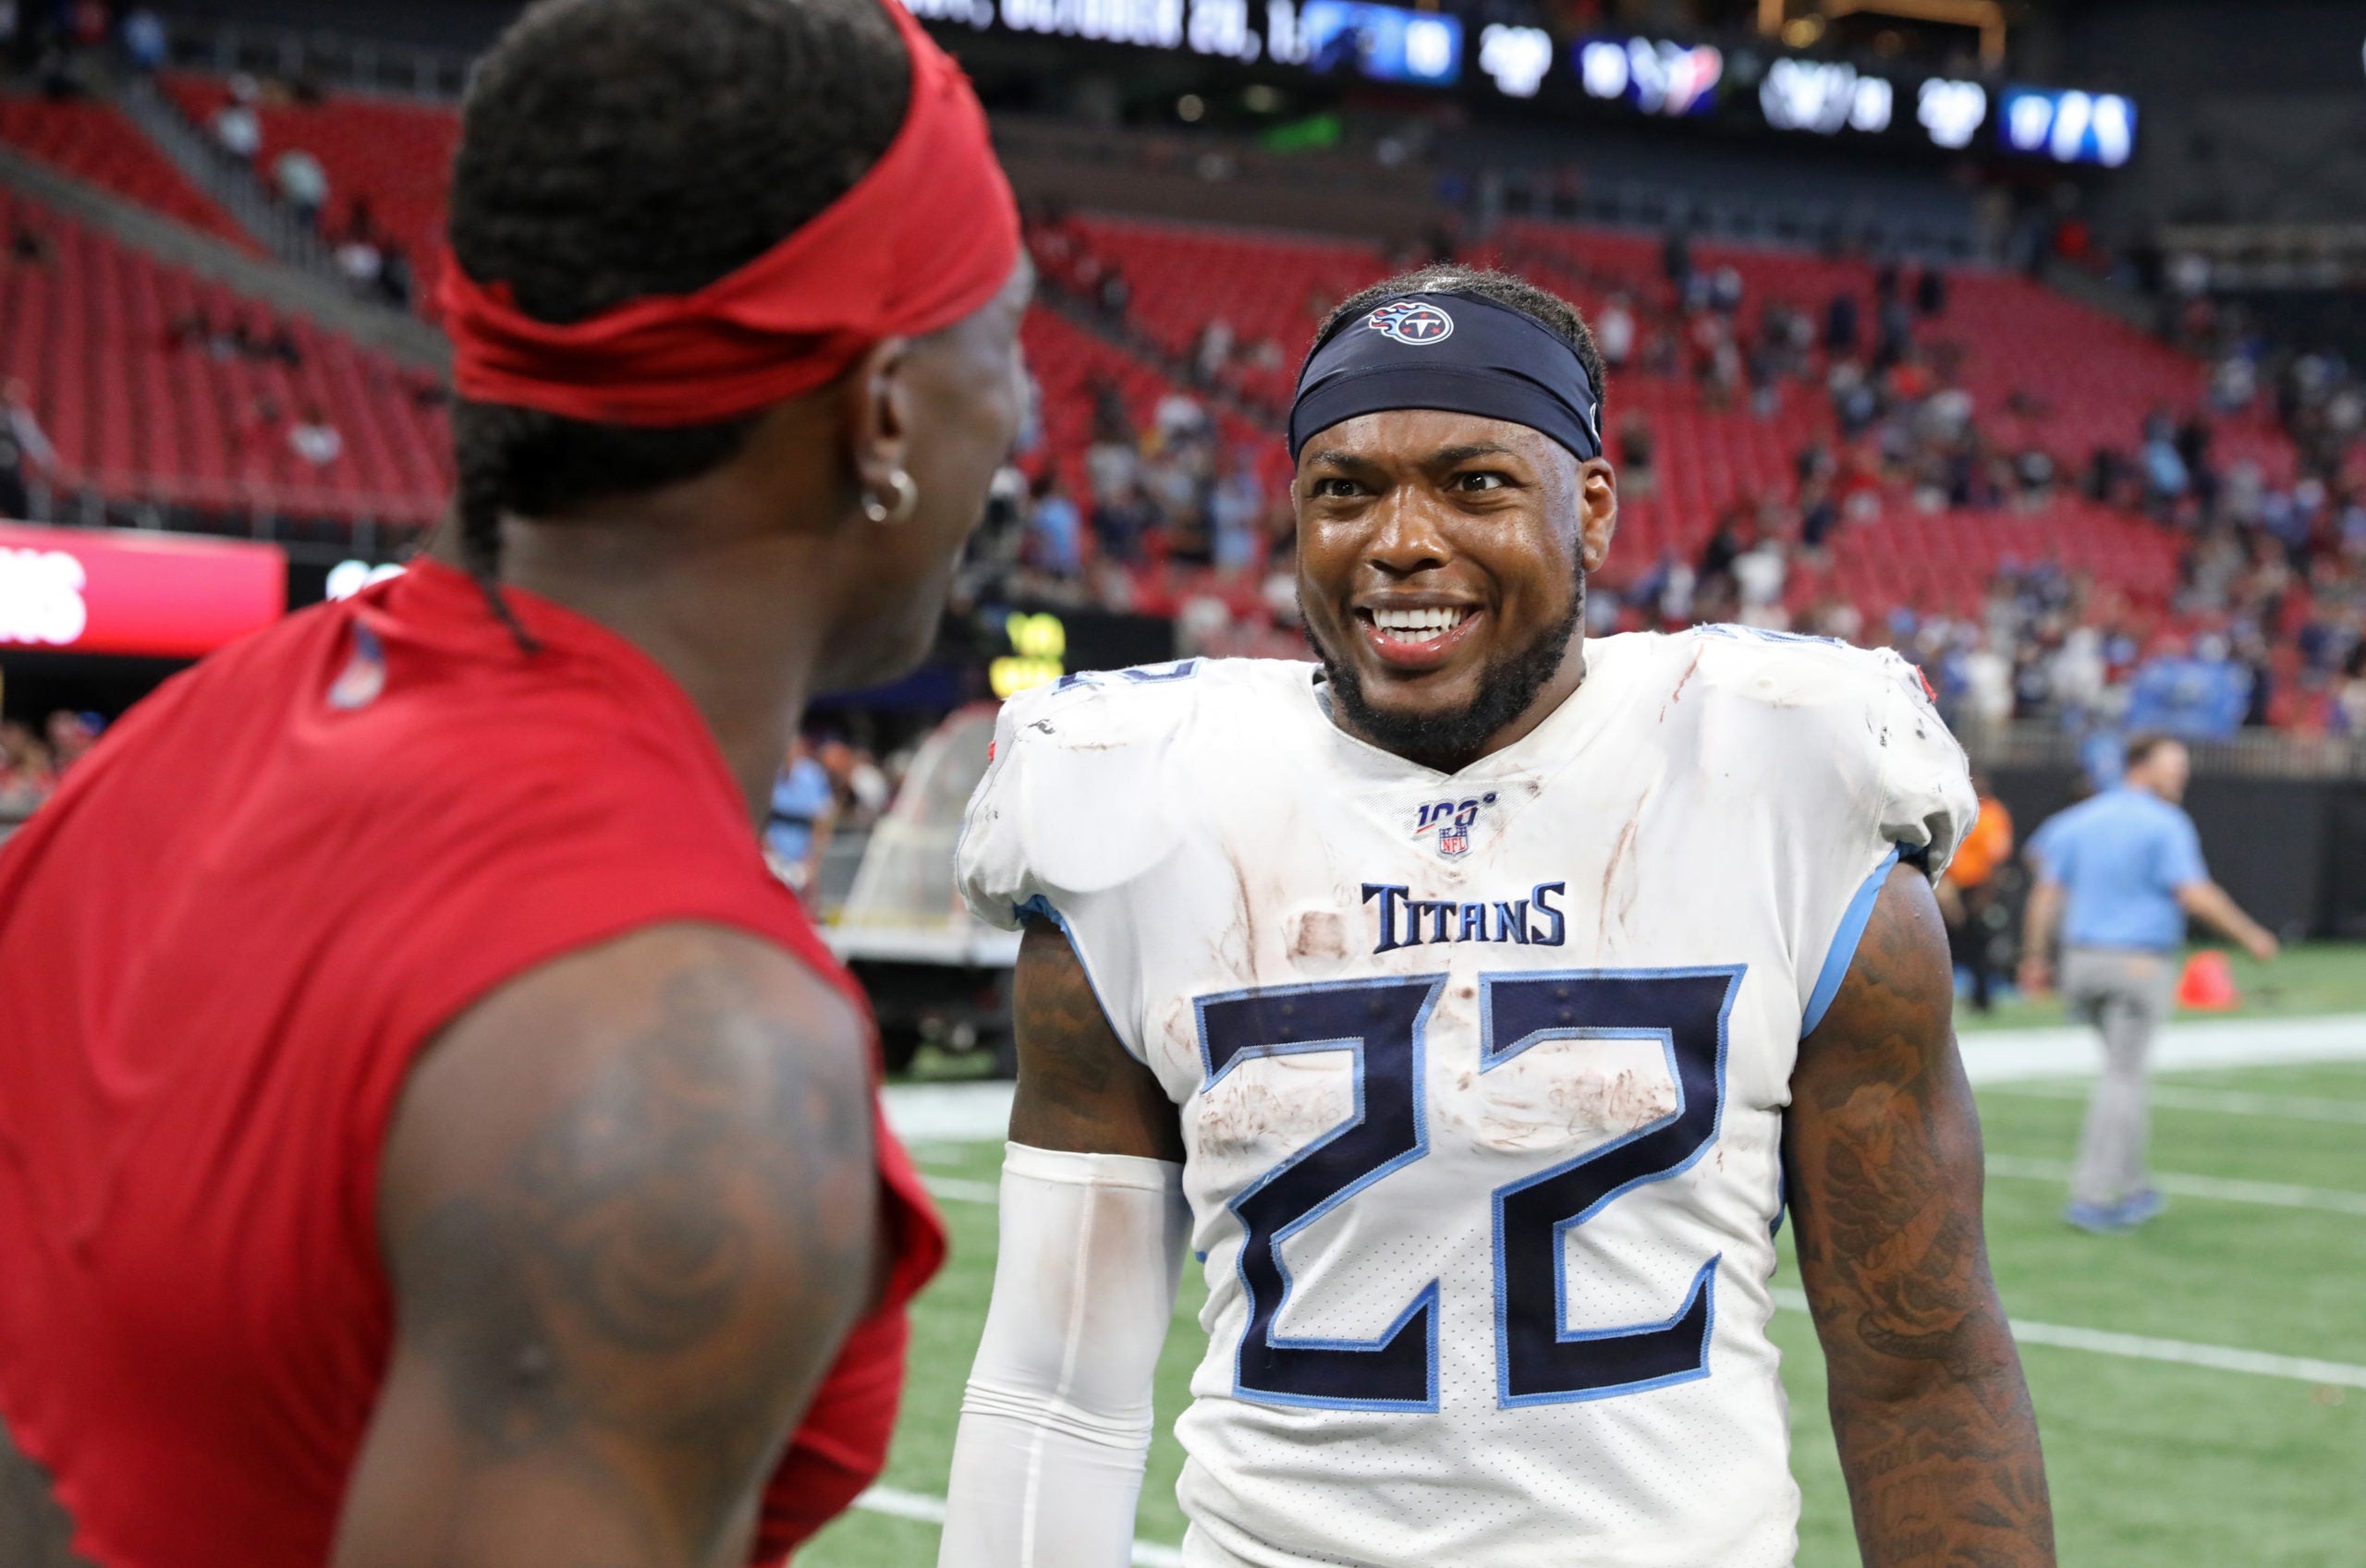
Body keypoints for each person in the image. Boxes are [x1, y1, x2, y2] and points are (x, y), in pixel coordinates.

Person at [0, 0, 1028, 1564]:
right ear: (882, 407)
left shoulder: (185, 740)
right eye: (1002, 342)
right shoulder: (681, 1043)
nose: (1019, 422)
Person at [941, 266, 2053, 1567]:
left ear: (1590, 509)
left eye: (1475, 483)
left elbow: (1920, 1356)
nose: (1400, 539)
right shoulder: (1134, 801)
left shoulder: (1776, 775)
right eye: (1344, 489)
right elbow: (1054, 1384)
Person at [2018, 733, 2278, 1233]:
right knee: (2123, 1077)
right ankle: (2092, 1195)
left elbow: (2044, 882)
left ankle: (2134, 1185)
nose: (2181, 775)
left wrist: (2034, 956)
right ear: (2140, 766)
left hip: (2082, 961)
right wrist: (2250, 936)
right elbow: (2195, 894)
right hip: (2137, 963)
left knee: (2123, 1071)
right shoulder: (2166, 823)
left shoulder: (2077, 820)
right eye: (2173, 765)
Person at [1939, 773, 2014, 1012]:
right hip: (1952, 888)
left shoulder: (1991, 814)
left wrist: (1984, 897)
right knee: (1949, 945)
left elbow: (1996, 858)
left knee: (1979, 945)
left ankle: (1981, 1000)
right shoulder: (1955, 811)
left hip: (1978, 888)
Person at [765, 735, 838, 897]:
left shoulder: (812, 776)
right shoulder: (768, 774)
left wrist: (812, 862)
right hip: (771, 857)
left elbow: (823, 822)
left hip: (804, 856)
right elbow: (757, 819)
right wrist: (770, 856)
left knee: (807, 902)